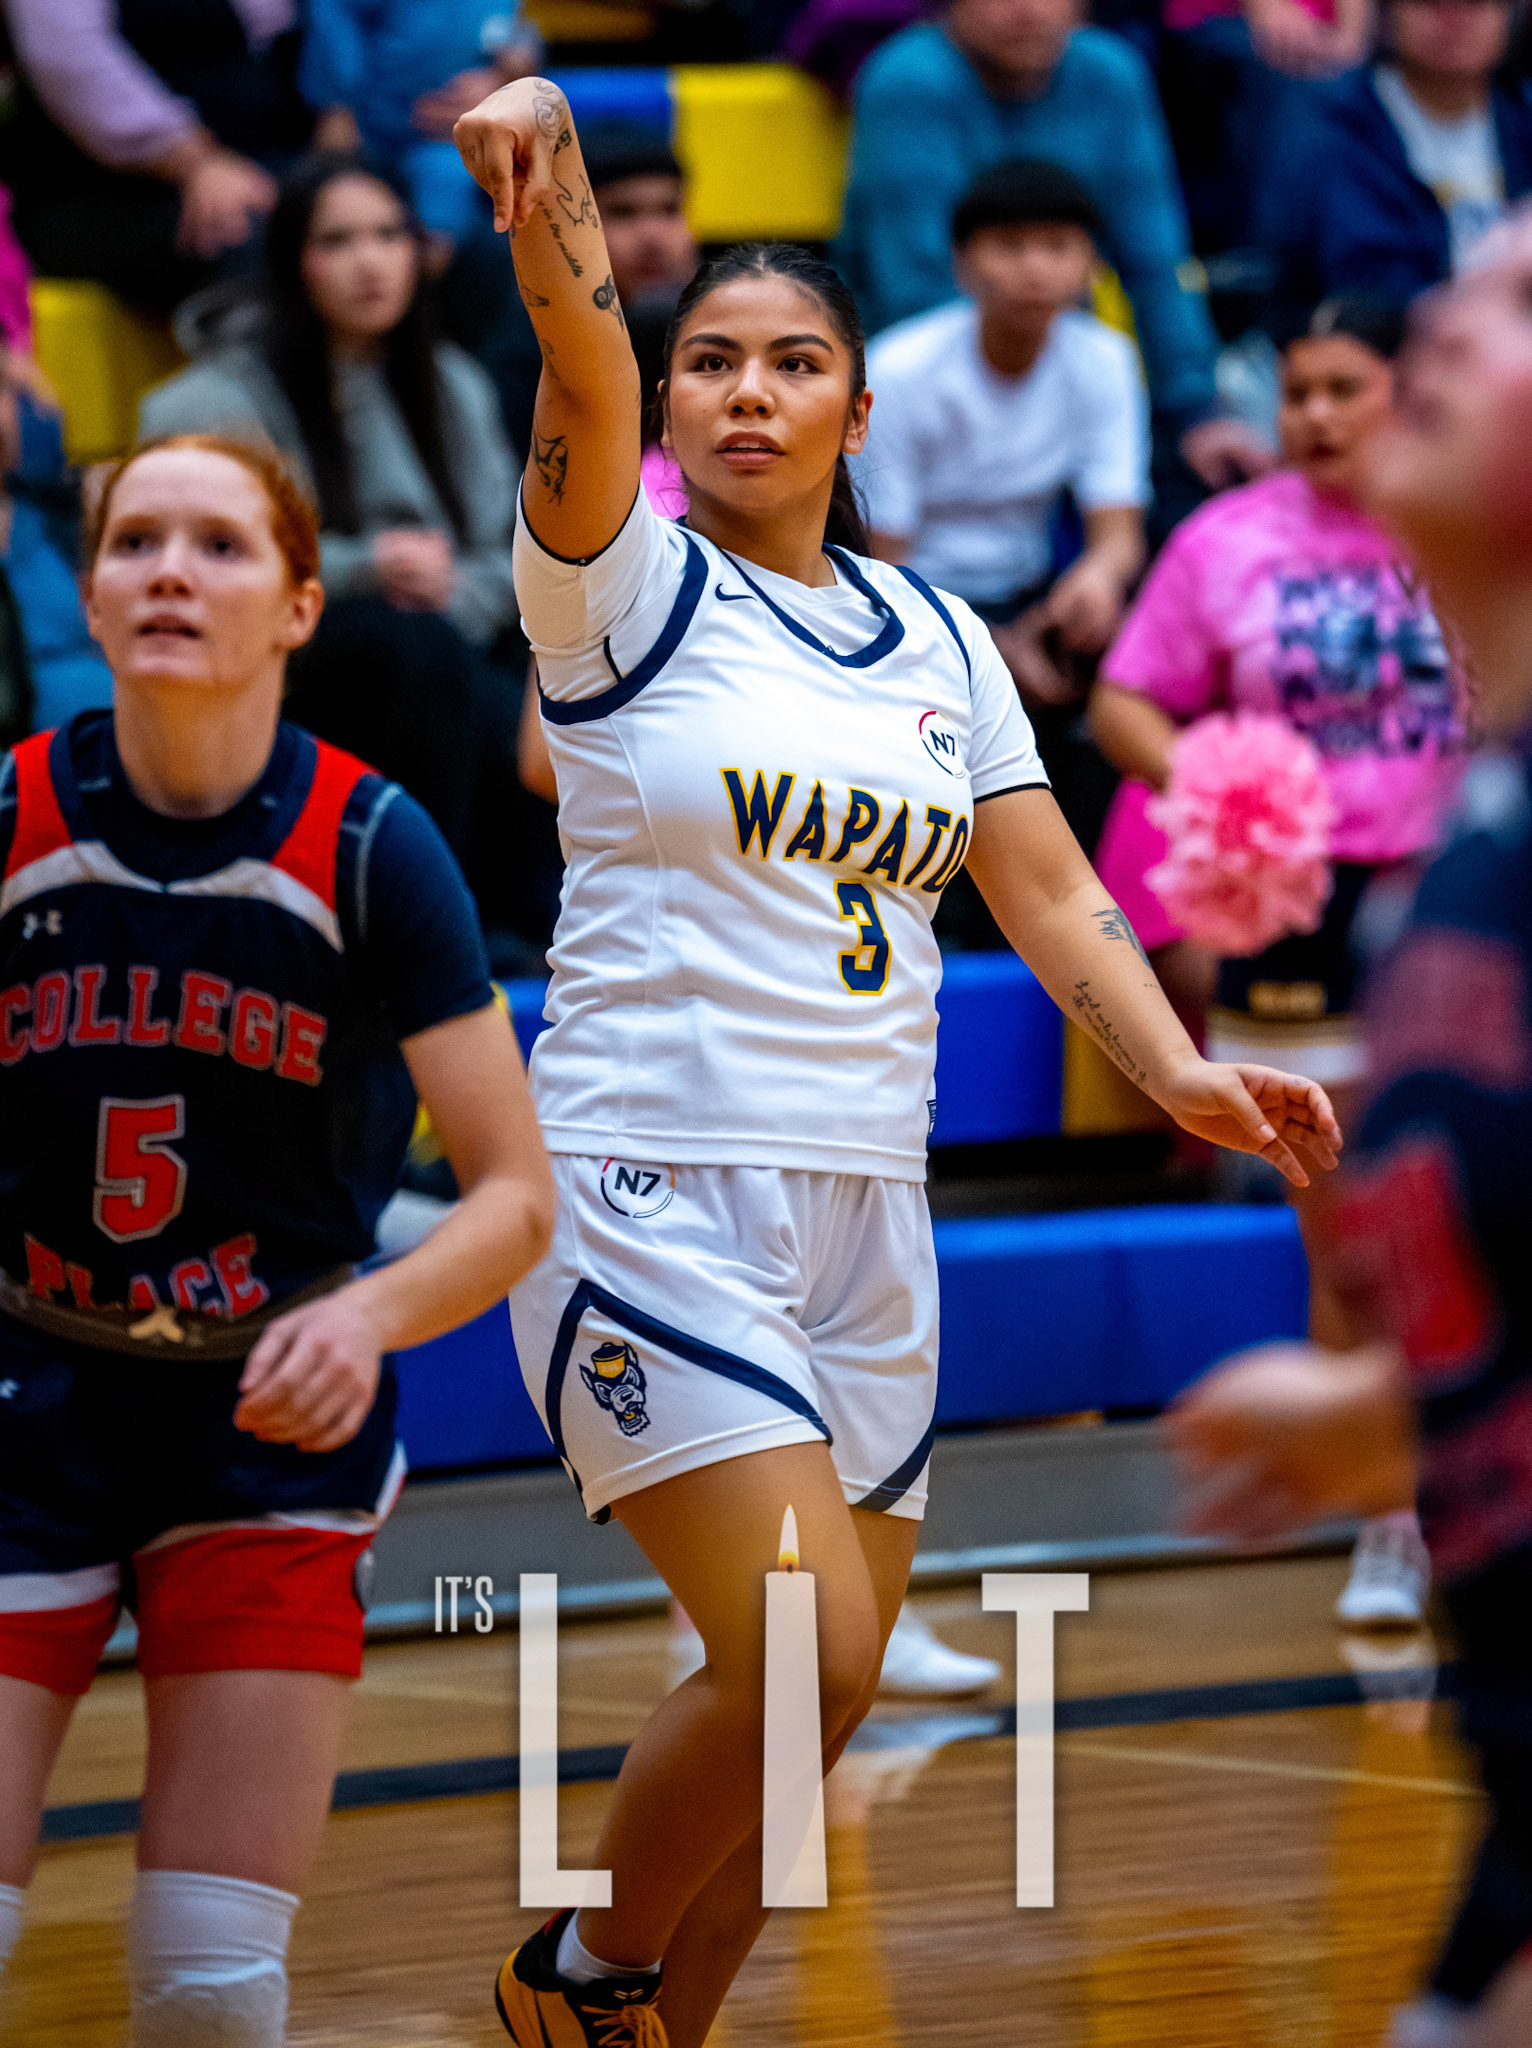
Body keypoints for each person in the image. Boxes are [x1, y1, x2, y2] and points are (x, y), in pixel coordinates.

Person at [452, 74, 1341, 2048]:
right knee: (803, 1646)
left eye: (794, 365)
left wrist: (1177, 1069)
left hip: (869, 1205)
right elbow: (579, 354)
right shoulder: (622, 585)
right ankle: (572, 1975)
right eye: (711, 362)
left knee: (820, 1702)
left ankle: (649, 2024)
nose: (746, 393)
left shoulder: (938, 636)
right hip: (649, 1182)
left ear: (860, 415)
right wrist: (554, 167)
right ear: (669, 406)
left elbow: (1048, 889)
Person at [0, 433, 554, 2040]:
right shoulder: (12, 817)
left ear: (302, 605)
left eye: (221, 546)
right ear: (90, 594)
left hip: (266, 1425)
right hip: (25, 1397)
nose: (171, 572)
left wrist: (370, 1316)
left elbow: (517, 1196)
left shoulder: (372, 846)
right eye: (136, 542)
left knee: (211, 1989)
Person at [1167, 209, 1532, 2048]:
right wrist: (1387, 1412)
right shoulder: (1472, 824)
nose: (1450, 322)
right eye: (1461, 288)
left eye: (1523, 305)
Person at [1091, 294, 1468, 1627]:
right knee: (1353, 1236)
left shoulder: (1457, 511)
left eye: (1340, 388)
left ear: (1404, 393)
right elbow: (1122, 700)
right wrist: (1217, 789)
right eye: (1294, 389)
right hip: (1296, 908)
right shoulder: (1226, 539)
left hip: (1449, 898)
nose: (1310, 414)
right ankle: (1392, 1525)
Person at [139, 151, 551, 964]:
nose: (371, 262)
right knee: (419, 654)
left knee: (551, 670)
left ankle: (536, 919)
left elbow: (509, 551)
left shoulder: (451, 382)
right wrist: (367, 567)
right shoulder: (211, 400)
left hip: (447, 637)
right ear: (293, 260)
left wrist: (450, 591)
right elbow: (211, 565)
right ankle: (431, 930)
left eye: (389, 236)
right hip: (285, 656)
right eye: (338, 241)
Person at [835, 0, 1272, 491]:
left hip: (1060, 373)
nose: (1027, 11)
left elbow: (1155, 261)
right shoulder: (905, 81)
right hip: (919, 401)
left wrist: (1198, 412)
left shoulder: (1110, 72)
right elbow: (917, 290)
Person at [858, 156, 1148, 858]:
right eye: (1010, 246)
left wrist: (1095, 581)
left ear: (1091, 264)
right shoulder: (900, 369)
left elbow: (1118, 535)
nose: (1035, 269)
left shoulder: (1104, 359)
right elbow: (880, 566)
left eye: (1057, 246)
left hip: (1036, 597)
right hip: (917, 605)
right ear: (962, 264)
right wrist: (986, 649)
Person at [0, 0, 313, 318]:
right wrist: (196, 163)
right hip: (109, 191)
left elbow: (276, 28)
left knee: (323, 209)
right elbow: (72, 64)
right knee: (244, 234)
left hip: (259, 155)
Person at [1260, 0, 1532, 340]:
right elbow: (1365, 283)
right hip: (1386, 350)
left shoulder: (1522, 115)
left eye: (1478, 2)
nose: (1456, 17)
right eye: (1431, 2)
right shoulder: (1333, 127)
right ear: (1387, 9)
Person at [299, 0, 543, 242]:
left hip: (452, 148)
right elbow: (335, 26)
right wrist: (336, 107)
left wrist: (503, 77)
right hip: (368, 135)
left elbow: (517, 33)